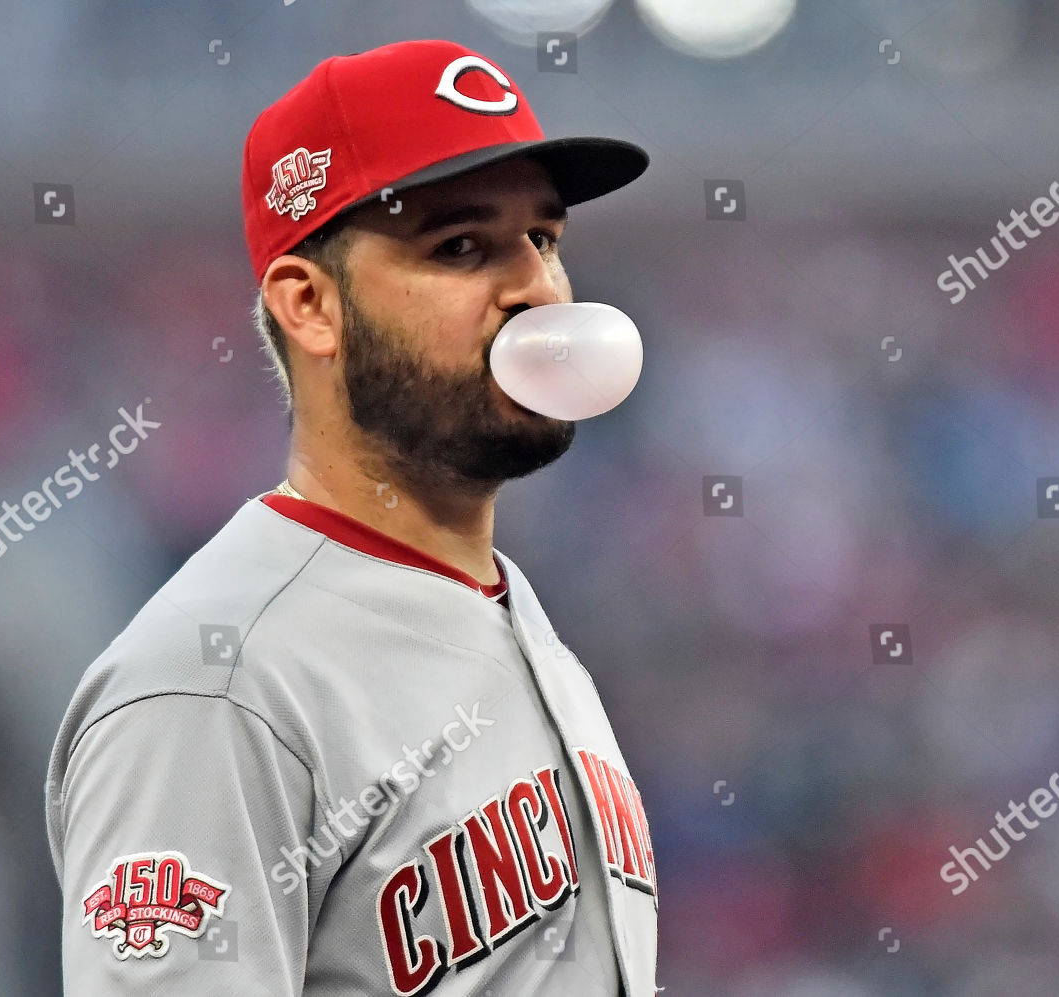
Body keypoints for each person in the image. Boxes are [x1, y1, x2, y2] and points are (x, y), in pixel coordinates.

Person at [45, 39, 658, 996]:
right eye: (461, 246)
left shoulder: (515, 617)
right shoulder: (212, 685)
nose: (539, 290)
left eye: (544, 238)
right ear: (310, 305)